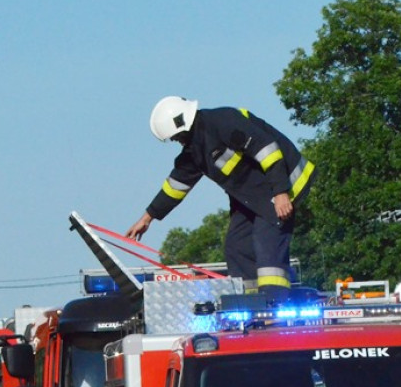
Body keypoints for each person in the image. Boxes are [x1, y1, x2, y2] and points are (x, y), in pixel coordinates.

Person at [125, 96, 316, 294]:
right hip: (251, 198)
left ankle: (274, 302)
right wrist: (147, 218)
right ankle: (251, 302)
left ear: (183, 123)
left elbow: (267, 149)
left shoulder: (223, 121)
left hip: (280, 184)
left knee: (267, 248)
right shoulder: (194, 150)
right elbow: (176, 186)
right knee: (237, 247)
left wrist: (281, 192)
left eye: (175, 136)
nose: (175, 140)